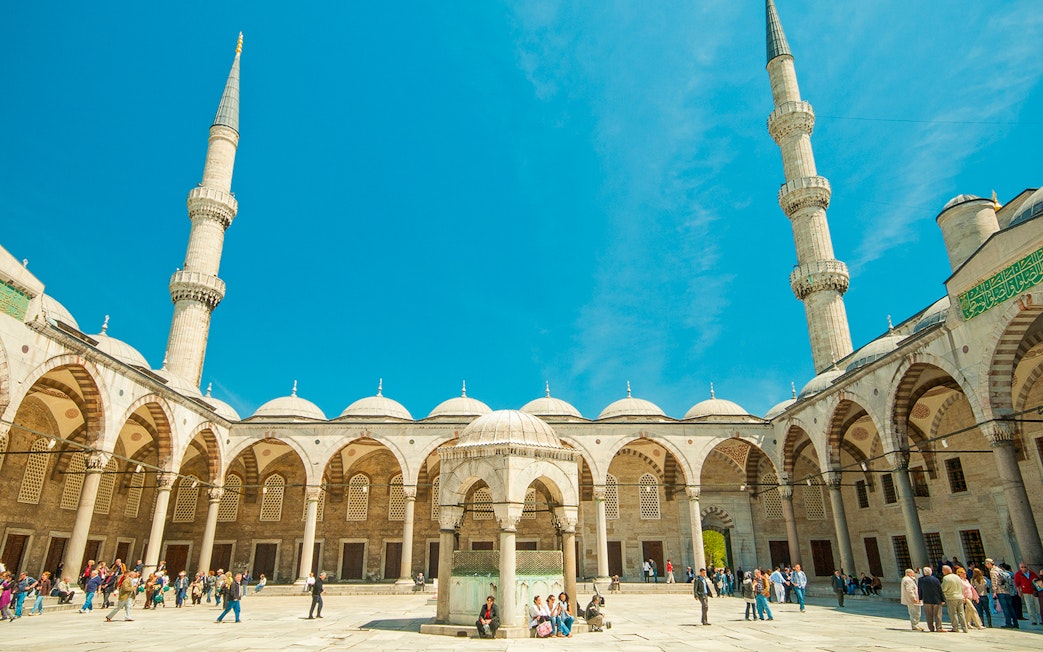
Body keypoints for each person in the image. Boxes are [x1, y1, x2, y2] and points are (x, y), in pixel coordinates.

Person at [986, 558, 1016, 628]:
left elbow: (994, 582)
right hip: (1007, 590)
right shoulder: (1000, 569)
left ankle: (1008, 623)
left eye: (986, 564)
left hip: (1000, 591)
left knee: (1005, 608)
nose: (986, 566)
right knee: (1010, 607)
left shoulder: (993, 571)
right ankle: (1015, 623)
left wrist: (994, 592)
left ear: (989, 564)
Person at [940, 565, 968, 633]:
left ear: (945, 571)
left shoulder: (946, 578)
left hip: (951, 597)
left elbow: (944, 588)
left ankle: (955, 628)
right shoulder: (957, 577)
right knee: (961, 613)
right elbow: (961, 587)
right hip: (959, 597)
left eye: (943, 570)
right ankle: (965, 628)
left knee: (953, 613)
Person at [917, 566, 944, 632]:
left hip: (926, 600)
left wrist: (920, 598)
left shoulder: (921, 580)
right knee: (938, 615)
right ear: (931, 572)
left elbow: (920, 590)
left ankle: (931, 628)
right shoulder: (936, 579)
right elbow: (940, 590)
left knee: (928, 615)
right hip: (936, 599)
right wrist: (943, 599)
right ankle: (939, 627)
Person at [1014, 562, 1040, 626]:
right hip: (1026, 592)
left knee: (1038, 606)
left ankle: (1041, 619)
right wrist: (1019, 592)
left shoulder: (1032, 573)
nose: (1023, 568)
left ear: (1027, 567)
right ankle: (1033, 620)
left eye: (1024, 567)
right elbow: (1017, 584)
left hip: (1034, 592)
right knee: (1029, 606)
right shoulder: (1018, 574)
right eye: (1022, 567)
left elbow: (1037, 581)